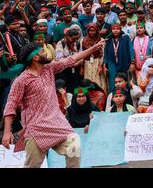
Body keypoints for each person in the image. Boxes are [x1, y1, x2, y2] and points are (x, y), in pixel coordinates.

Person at [2, 39, 105, 168]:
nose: (46, 52)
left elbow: (71, 60)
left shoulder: (49, 69)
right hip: (36, 129)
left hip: (57, 123)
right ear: (35, 57)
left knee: (74, 144)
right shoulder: (21, 80)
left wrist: (94, 48)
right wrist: (7, 132)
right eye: (42, 51)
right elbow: (10, 105)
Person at [103, 24, 134, 93]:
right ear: (111, 30)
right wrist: (105, 65)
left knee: (124, 80)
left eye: (117, 29)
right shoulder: (108, 39)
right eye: (114, 29)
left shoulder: (125, 38)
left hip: (124, 62)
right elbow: (105, 52)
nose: (115, 31)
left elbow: (131, 50)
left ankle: (125, 96)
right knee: (113, 81)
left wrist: (132, 62)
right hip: (112, 63)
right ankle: (113, 97)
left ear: (120, 30)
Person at [81, 24, 107, 92]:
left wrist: (100, 65)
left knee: (98, 82)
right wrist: (82, 66)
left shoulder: (101, 40)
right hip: (87, 64)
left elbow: (103, 54)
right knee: (87, 81)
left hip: (97, 62)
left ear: (97, 31)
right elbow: (81, 54)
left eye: (94, 30)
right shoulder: (83, 40)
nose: (92, 32)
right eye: (90, 30)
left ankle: (100, 98)